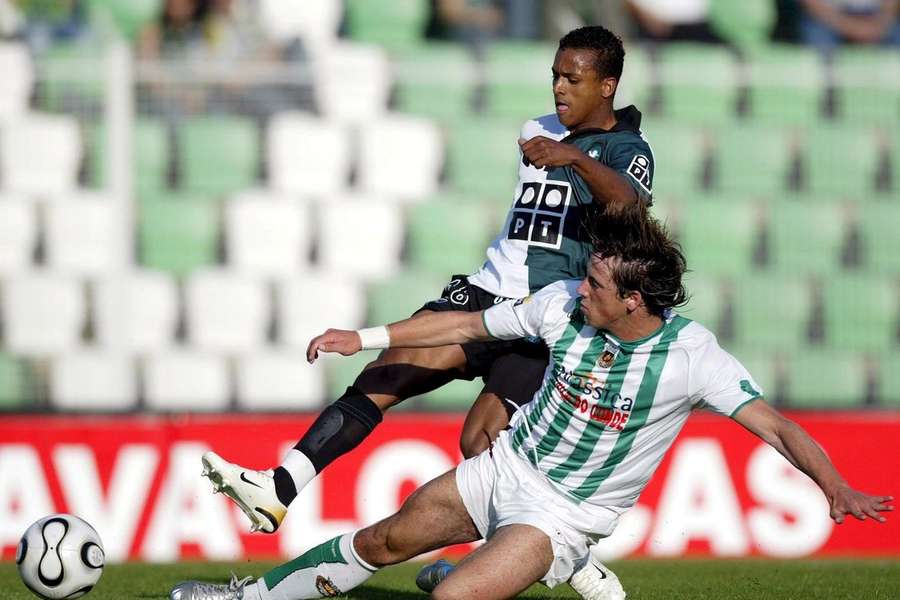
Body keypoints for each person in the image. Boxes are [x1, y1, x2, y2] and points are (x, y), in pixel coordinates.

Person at [170, 207, 892, 600]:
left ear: (634, 301)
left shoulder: (693, 356)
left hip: (562, 516)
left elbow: (775, 426)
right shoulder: (559, 305)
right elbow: (461, 325)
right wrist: (362, 337)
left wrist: (833, 487)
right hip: (503, 469)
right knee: (382, 541)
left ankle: (512, 570)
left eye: (598, 285)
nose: (582, 288)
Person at [200, 24, 656, 537]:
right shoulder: (537, 127)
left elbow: (630, 206)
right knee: (387, 373)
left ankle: (566, 562)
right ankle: (279, 487)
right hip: (486, 290)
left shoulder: (628, 148)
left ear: (607, 85)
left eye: (572, 79)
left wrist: (574, 155)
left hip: (544, 315)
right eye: (554, 75)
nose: (559, 88)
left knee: (480, 442)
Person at [798, 0, 900, 52]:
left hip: (878, 17)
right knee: (819, 43)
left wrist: (881, 23)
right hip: (828, 17)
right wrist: (852, 27)